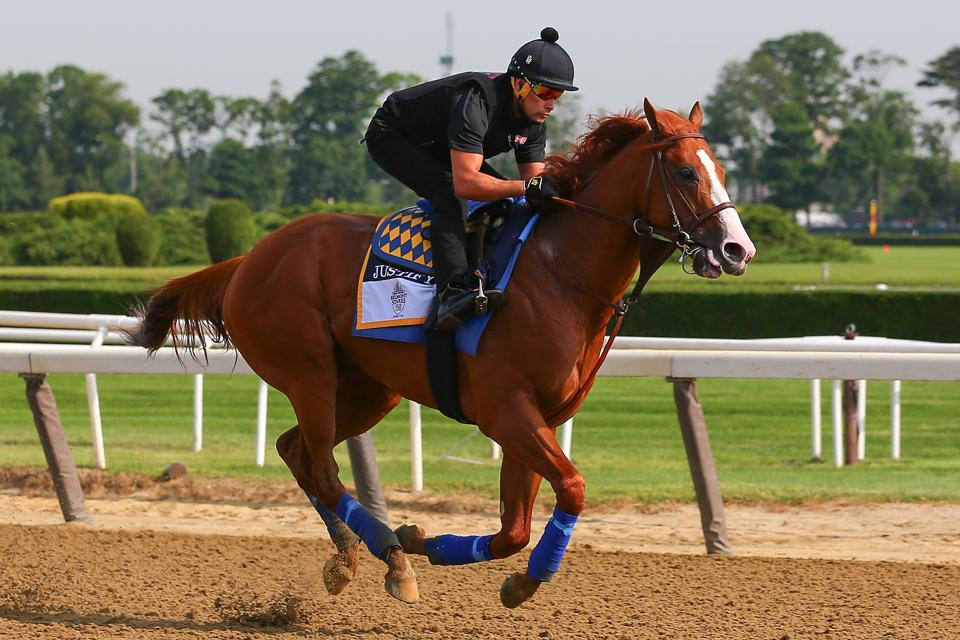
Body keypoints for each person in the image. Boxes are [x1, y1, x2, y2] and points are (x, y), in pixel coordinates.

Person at [364, 27, 577, 330]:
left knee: (504, 202)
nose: (551, 104)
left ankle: (479, 275)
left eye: (557, 95)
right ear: (518, 84)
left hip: (441, 145)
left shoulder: (533, 122)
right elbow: (467, 183)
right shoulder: (476, 99)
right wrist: (524, 188)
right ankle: (451, 293)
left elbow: (534, 186)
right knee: (451, 196)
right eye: (545, 92)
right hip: (394, 135)